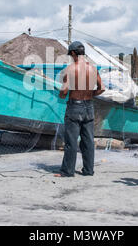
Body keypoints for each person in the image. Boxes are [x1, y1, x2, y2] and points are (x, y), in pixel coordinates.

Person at [54, 41, 105, 177]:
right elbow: (102, 88)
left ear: (72, 53)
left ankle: (67, 171)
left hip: (74, 107)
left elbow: (64, 91)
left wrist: (60, 94)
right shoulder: (93, 68)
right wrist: (90, 94)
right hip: (89, 107)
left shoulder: (70, 69)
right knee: (88, 140)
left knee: (71, 141)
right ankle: (88, 170)